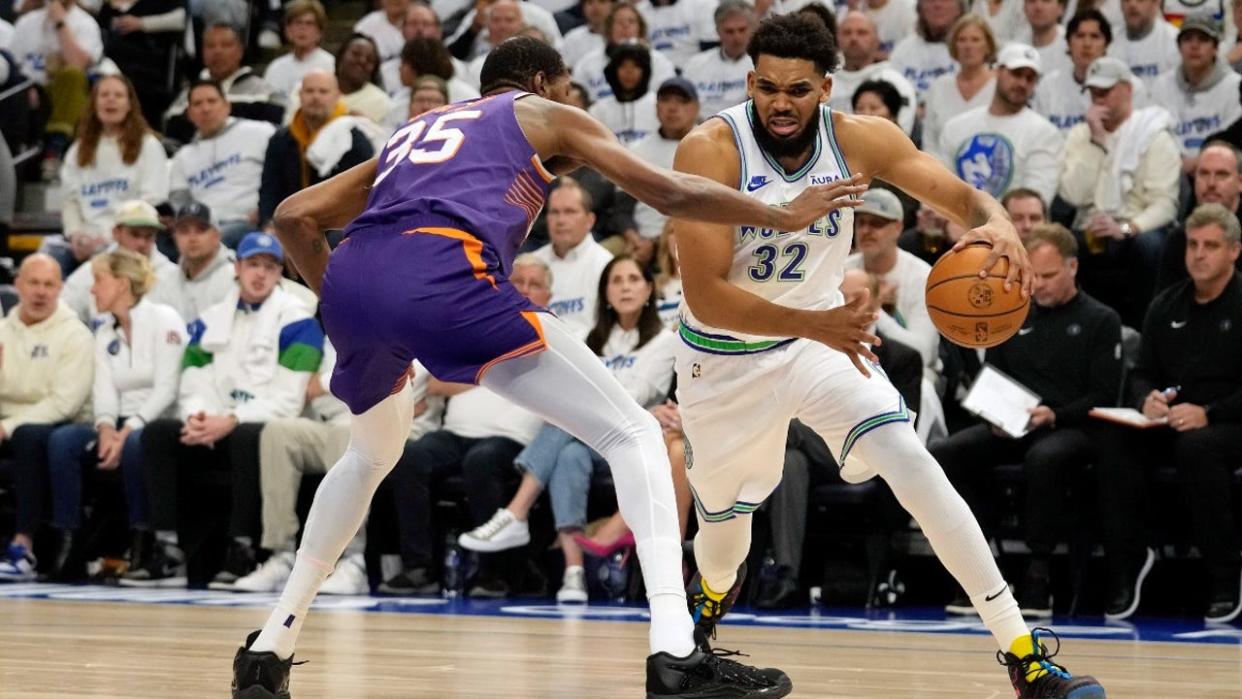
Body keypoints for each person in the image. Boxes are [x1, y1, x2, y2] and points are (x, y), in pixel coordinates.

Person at [232, 34, 862, 698]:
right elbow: (668, 192)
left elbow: (293, 215)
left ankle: (269, 649)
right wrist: (777, 213)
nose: (572, 105)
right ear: (541, 82)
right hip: (443, 271)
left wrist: (352, 307)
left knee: (366, 458)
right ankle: (677, 650)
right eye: (568, 90)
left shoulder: (416, 131)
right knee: (635, 434)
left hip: (357, 282)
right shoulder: (538, 111)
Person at [669, 14, 1104, 698]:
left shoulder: (861, 139)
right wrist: (819, 326)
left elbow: (957, 194)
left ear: (827, 87)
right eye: (766, 86)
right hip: (722, 361)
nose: (780, 102)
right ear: (749, 80)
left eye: (798, 88)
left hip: (817, 341)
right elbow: (710, 296)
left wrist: (994, 221)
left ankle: (1026, 655)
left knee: (911, 460)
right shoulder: (710, 152)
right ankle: (704, 615)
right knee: (727, 530)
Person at [458, 255, 680, 604]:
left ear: (649, 289)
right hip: (591, 438)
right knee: (570, 452)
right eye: (616, 281)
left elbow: (629, 395)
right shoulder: (588, 338)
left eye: (633, 280)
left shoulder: (664, 342)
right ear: (604, 292)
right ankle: (574, 573)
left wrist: (597, 399)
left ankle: (517, 512)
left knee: (568, 427)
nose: (624, 287)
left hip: (631, 441)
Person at [934, 224, 1121, 618]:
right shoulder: (1013, 313)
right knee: (948, 452)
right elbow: (994, 378)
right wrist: (995, 414)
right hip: (1014, 422)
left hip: (1071, 425)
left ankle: (1039, 572)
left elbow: (1104, 393)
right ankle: (976, 564)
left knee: (1045, 459)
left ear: (1073, 267)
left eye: (1049, 275)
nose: (1040, 285)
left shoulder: (1101, 319)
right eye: (1033, 275)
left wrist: (1055, 414)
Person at [125, 233, 323, 589]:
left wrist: (229, 421)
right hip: (215, 422)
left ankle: (242, 549)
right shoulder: (209, 320)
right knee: (156, 433)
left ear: (280, 273)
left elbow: (288, 400)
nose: (260, 274)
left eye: (269, 266)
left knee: (249, 436)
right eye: (253, 265)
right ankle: (167, 548)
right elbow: (193, 383)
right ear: (237, 268)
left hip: (264, 426)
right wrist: (199, 417)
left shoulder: (300, 323)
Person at [1092, 203, 1242, 624]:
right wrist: (1147, 400)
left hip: (1228, 423)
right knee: (1111, 439)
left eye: (1211, 246)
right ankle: (1130, 561)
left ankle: (1225, 576)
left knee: (1198, 449)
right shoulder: (1166, 304)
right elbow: (1142, 372)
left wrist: (1209, 412)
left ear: (1234, 251)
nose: (1198, 254)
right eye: (1193, 244)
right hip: (1171, 419)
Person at [43, 248, 187, 581]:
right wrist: (106, 428)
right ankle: (70, 544)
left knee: (138, 443)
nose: (92, 289)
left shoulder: (165, 319)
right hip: (120, 423)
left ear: (122, 283)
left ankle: (147, 546)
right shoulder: (105, 331)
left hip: (160, 423)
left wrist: (126, 432)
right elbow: (104, 391)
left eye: (98, 280)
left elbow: (168, 389)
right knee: (63, 441)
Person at [1056, 55, 1179, 326]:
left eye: (1106, 92)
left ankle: (1146, 327)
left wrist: (1126, 228)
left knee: (1149, 245)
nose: (1099, 100)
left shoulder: (1154, 135)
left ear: (1128, 89)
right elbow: (1072, 196)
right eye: (1094, 93)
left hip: (1135, 228)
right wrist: (1097, 142)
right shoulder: (1080, 135)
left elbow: (1165, 204)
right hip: (1089, 227)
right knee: (1059, 243)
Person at [0, 255, 94, 583]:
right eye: (33, 283)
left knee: (28, 436)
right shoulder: (2, 331)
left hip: (61, 424)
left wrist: (7, 427)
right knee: (23, 433)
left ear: (61, 289)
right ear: (18, 286)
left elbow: (64, 403)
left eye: (49, 284)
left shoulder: (75, 335)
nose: (41, 292)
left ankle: (23, 546)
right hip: (8, 421)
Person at [55, 74, 168, 278]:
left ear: (130, 105)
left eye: (118, 95)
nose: (111, 100)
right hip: (85, 240)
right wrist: (76, 235)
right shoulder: (77, 150)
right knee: (50, 256)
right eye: (104, 94)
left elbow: (152, 201)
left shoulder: (148, 146)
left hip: (129, 239)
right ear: (94, 104)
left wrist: (110, 238)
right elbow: (69, 200)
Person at [938, 42, 1062, 206]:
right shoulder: (956, 126)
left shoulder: (1045, 133)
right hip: (957, 223)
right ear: (997, 71)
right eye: (1016, 74)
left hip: (1014, 227)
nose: (1022, 84)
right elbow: (942, 187)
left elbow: (1036, 200)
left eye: (1030, 78)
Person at [257, 70, 375, 228]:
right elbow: (269, 189)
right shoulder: (281, 139)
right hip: (286, 224)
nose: (316, 97)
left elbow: (356, 197)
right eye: (309, 91)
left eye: (323, 91)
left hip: (336, 227)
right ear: (300, 95)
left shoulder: (353, 140)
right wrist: (268, 224)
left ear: (337, 96)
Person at [169, 80, 278, 247]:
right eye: (198, 104)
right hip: (204, 228)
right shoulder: (182, 157)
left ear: (227, 105)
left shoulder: (260, 132)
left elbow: (284, 171)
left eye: (212, 101)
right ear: (189, 113)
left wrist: (266, 211)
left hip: (248, 224)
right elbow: (181, 205)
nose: (205, 109)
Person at [1149, 15, 1242, 173]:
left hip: (1222, 167)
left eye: (1203, 39)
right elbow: (1157, 132)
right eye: (1187, 39)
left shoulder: (1234, 85)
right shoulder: (1162, 85)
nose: (1194, 46)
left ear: (1215, 48)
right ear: (1178, 47)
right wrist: (1179, 161)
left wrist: (1202, 161)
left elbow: (1233, 137)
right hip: (1173, 167)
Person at [60, 199, 176, 323]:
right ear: (116, 233)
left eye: (149, 236)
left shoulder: (171, 275)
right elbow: (62, 314)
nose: (141, 243)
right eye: (135, 234)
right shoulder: (92, 272)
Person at [530, 178, 616, 337]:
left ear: (590, 220)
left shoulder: (606, 265)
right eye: (554, 212)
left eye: (570, 212)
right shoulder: (531, 265)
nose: (561, 220)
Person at [828, 10, 918, 136]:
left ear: (877, 40)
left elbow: (901, 133)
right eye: (847, 32)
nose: (853, 38)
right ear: (837, 40)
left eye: (862, 32)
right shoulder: (825, 81)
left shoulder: (894, 82)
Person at [147, 202, 239, 323]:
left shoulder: (234, 277)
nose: (192, 238)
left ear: (217, 235)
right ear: (175, 237)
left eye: (201, 230)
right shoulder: (166, 281)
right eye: (184, 231)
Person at [922, 13, 997, 162]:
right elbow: (929, 142)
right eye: (962, 40)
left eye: (975, 40)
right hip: (942, 172)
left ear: (988, 46)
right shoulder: (939, 86)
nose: (968, 46)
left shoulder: (999, 86)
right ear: (954, 46)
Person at [682, 0, 755, 118]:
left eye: (742, 30)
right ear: (717, 32)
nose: (737, 37)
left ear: (752, 29)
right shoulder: (695, 64)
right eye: (729, 31)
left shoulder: (760, 63)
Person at [264, 0, 336, 99]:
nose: (303, 28)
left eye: (309, 23)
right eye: (298, 23)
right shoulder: (275, 68)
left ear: (319, 32)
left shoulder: (331, 65)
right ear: (288, 30)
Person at [1106, 0, 1177, 86]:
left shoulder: (1174, 41)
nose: (1132, 4)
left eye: (1140, 0)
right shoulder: (1108, 41)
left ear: (1156, 3)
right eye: (1126, 0)